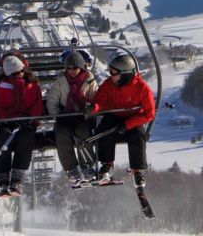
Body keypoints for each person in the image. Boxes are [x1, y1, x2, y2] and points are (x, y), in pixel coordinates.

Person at [91, 53, 155, 188]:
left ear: (125, 74)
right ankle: (107, 164)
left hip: (134, 118)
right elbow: (100, 100)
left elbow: (149, 113)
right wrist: (94, 108)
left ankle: (137, 169)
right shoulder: (109, 85)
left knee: (137, 136)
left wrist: (128, 124)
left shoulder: (142, 88)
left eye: (114, 73)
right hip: (114, 116)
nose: (111, 76)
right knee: (105, 131)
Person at [0, 54, 44, 196]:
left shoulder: (33, 85)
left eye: (21, 71)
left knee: (26, 140)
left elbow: (38, 105)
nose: (20, 75)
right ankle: (3, 179)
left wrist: (30, 117)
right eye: (15, 74)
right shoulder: (1, 87)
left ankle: (16, 178)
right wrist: (7, 119)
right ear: (9, 75)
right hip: (9, 122)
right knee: (3, 141)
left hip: (27, 122)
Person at [46, 50, 98, 187]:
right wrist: (58, 115)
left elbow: (96, 99)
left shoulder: (90, 79)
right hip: (66, 116)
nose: (71, 71)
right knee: (62, 134)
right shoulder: (60, 81)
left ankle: (87, 165)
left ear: (80, 67)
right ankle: (71, 169)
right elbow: (52, 101)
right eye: (68, 68)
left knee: (83, 133)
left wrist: (90, 111)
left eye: (74, 68)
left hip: (83, 116)